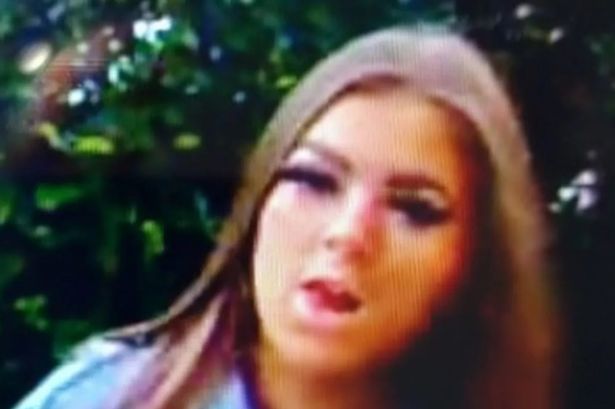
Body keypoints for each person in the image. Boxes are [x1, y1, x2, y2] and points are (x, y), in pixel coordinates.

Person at [14, 25, 561, 409]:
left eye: (413, 209)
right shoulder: (104, 398)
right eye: (313, 181)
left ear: (475, 262)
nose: (348, 234)